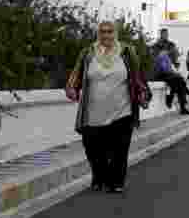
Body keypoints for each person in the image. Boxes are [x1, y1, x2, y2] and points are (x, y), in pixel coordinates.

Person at [65, 20, 152, 194]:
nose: (106, 35)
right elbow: (76, 73)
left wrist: (142, 93)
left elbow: (137, 76)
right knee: (93, 149)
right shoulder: (88, 52)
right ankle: (99, 177)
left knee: (120, 149)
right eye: (103, 32)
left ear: (116, 33)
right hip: (92, 112)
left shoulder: (127, 52)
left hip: (122, 110)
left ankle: (116, 182)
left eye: (110, 31)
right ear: (98, 33)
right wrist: (72, 88)